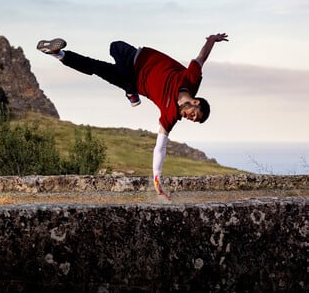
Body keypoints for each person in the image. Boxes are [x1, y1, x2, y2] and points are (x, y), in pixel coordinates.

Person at [37, 33, 229, 199]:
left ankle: (58, 54)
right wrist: (212, 39)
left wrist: (156, 180)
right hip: (134, 55)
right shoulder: (191, 79)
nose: (189, 118)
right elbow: (201, 57)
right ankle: (130, 91)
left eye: (192, 120)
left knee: (95, 67)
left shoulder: (170, 115)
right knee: (114, 45)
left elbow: (160, 147)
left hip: (131, 78)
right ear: (195, 102)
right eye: (193, 115)